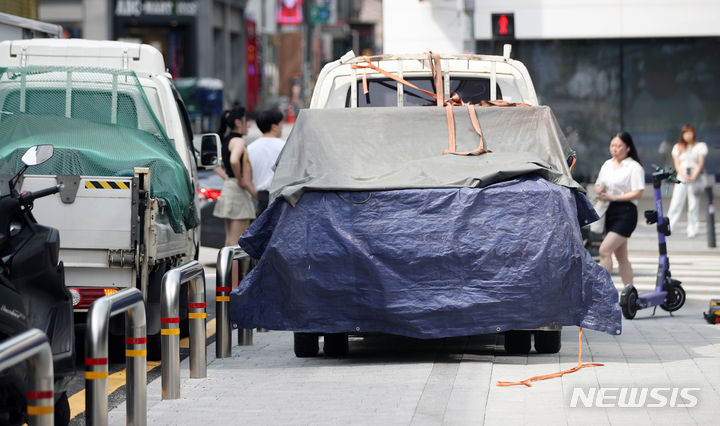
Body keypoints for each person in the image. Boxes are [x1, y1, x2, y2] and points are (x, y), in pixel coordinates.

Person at [212, 105, 256, 288]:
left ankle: (226, 286)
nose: (249, 125)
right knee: (236, 246)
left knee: (229, 242)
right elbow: (233, 160)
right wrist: (240, 179)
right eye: (247, 121)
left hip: (229, 188)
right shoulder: (238, 141)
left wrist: (230, 178)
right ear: (239, 122)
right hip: (237, 191)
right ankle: (234, 287)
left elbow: (215, 165)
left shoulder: (226, 140)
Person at [594, 132, 645, 284]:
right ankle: (630, 291)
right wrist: (599, 189)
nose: (615, 149)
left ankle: (604, 291)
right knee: (622, 257)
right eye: (612, 146)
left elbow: (638, 192)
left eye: (619, 146)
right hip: (609, 211)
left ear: (628, 148)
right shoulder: (607, 164)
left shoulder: (634, 167)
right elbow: (598, 184)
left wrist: (614, 197)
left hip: (626, 212)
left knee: (604, 250)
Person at [667, 124, 708, 238]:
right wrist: (683, 174)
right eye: (685, 133)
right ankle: (669, 226)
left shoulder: (700, 146)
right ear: (682, 134)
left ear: (694, 133)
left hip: (695, 175)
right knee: (676, 202)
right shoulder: (678, 147)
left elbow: (700, 162)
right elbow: (677, 164)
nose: (688, 135)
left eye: (690, 132)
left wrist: (694, 174)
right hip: (682, 175)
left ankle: (692, 229)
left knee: (693, 203)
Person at [247, 109, 285, 215]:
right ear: (274, 126)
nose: (282, 126)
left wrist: (258, 197)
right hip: (282, 196)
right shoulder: (285, 146)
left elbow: (246, 179)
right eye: (281, 123)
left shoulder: (250, 148)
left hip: (261, 197)